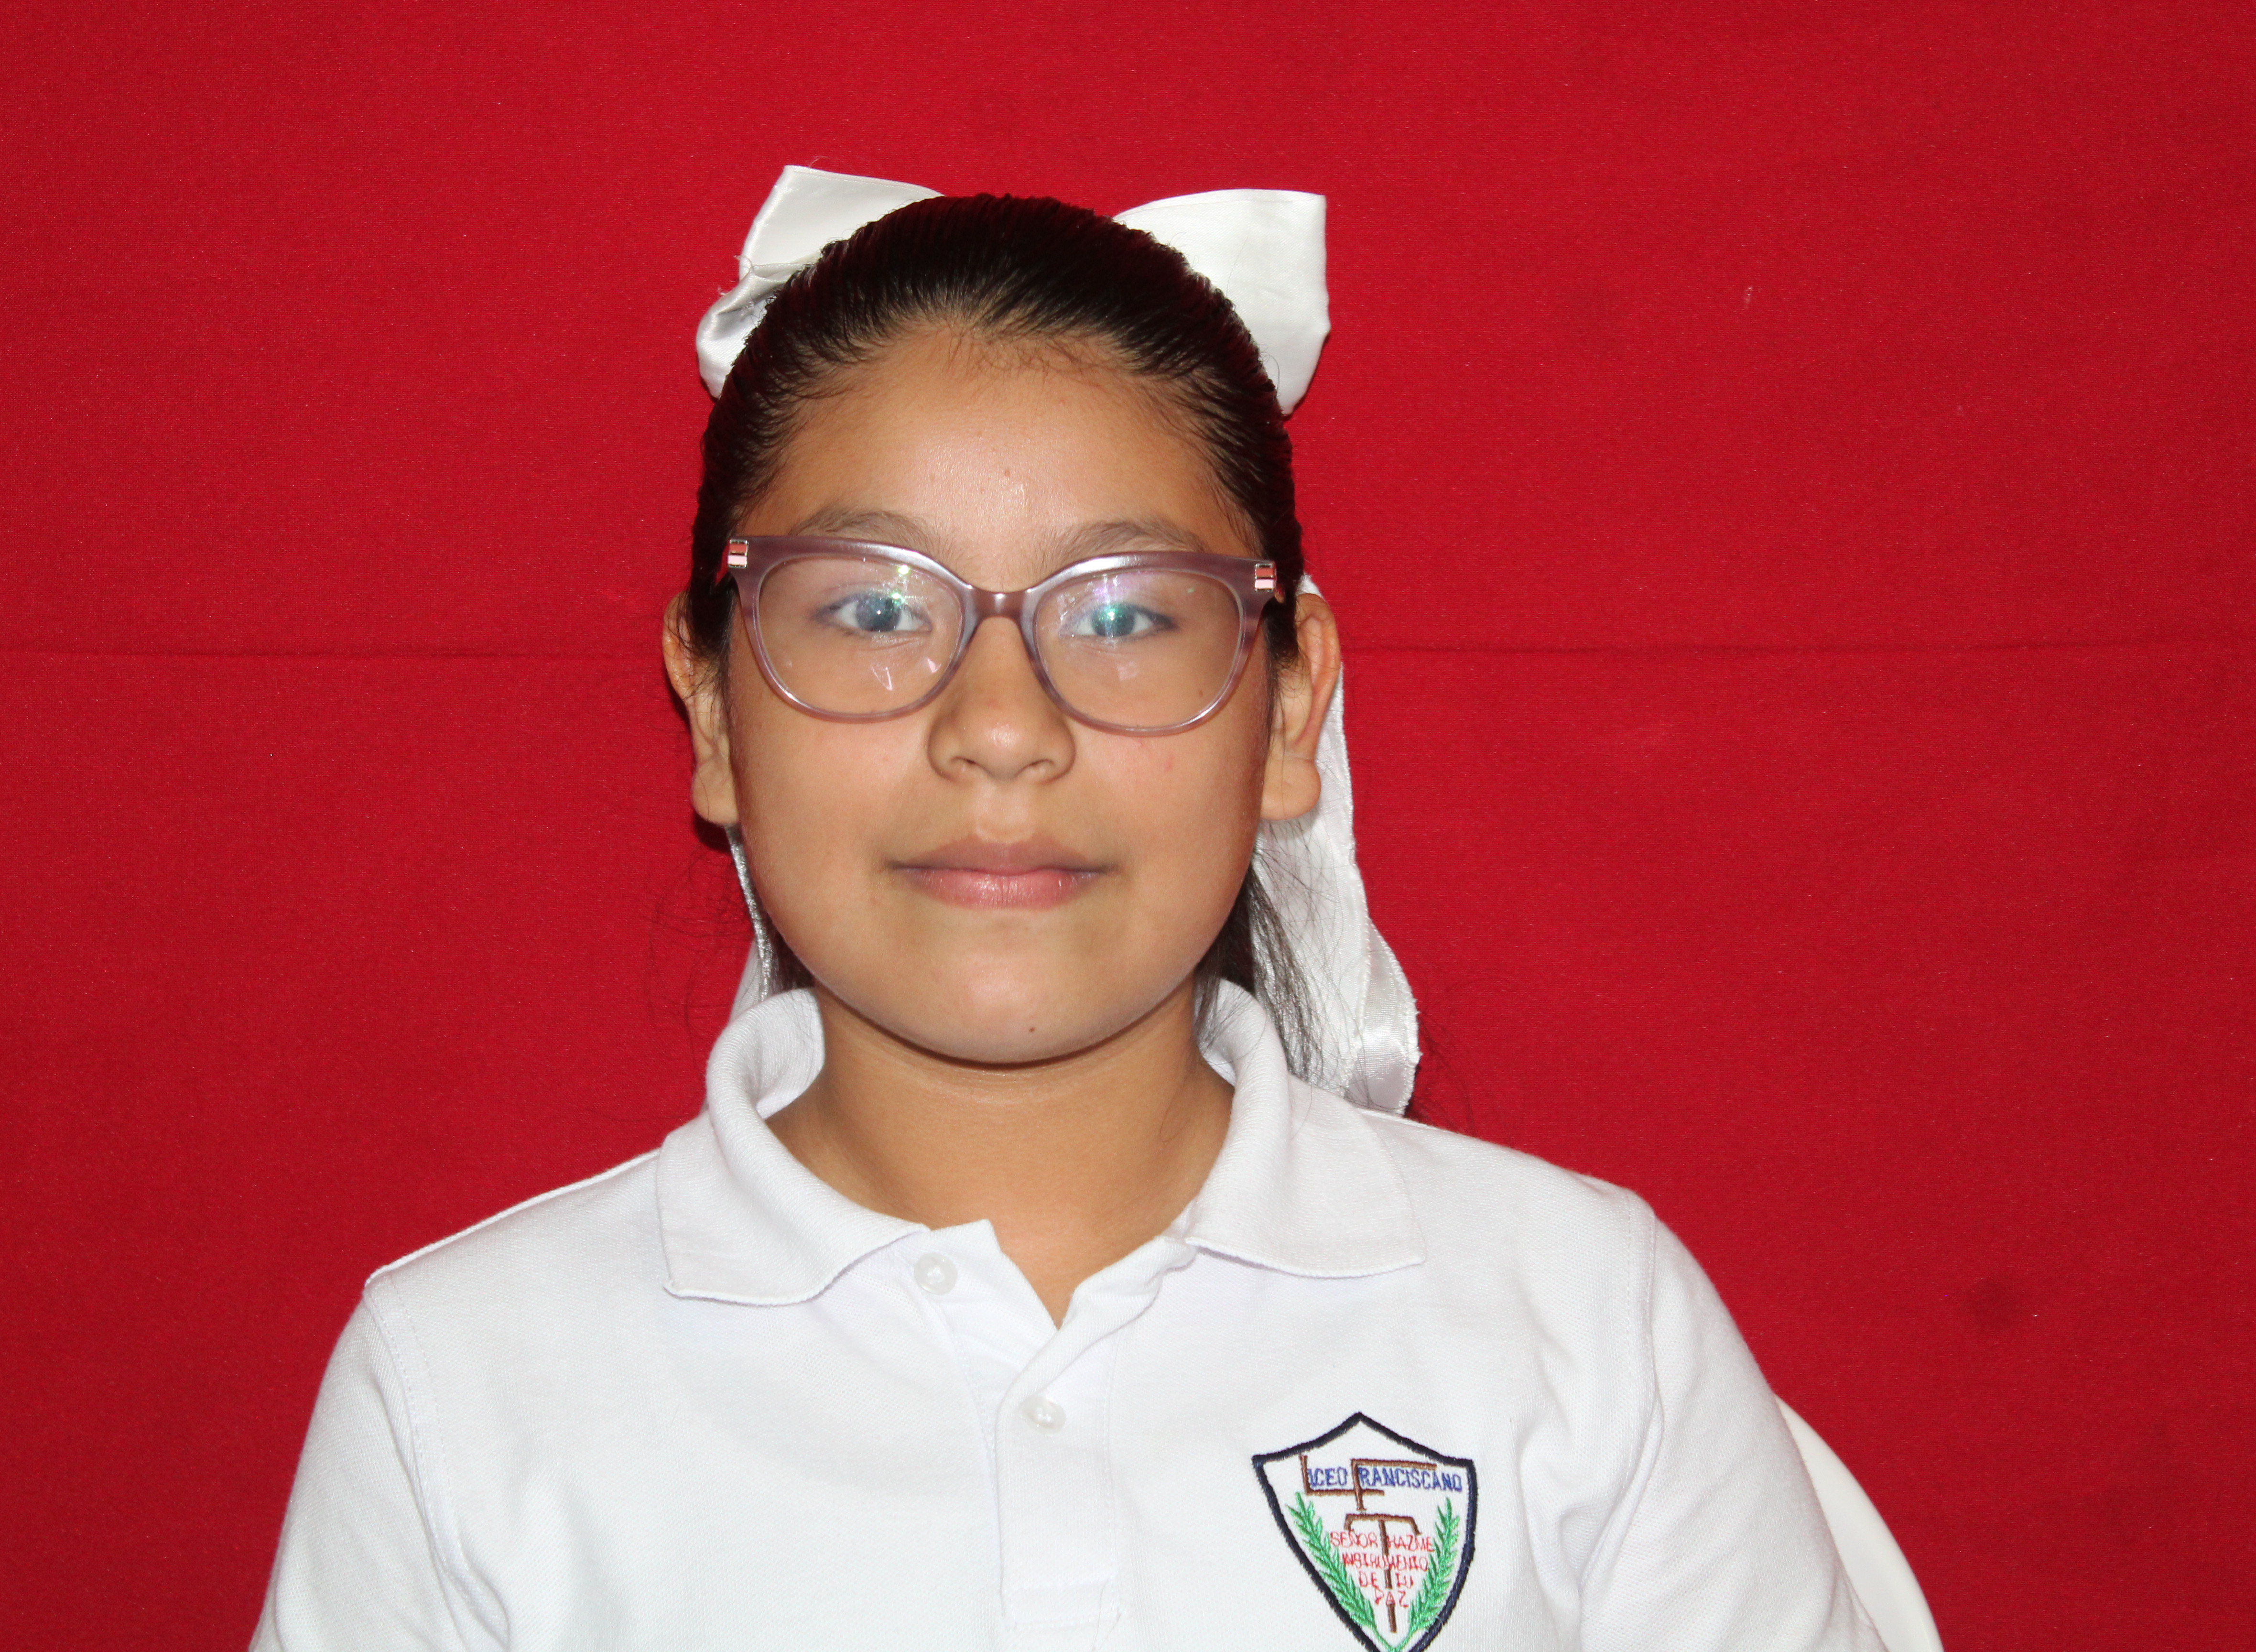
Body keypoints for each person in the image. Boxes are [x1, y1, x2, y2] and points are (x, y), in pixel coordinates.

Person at [251, 169, 1884, 1652]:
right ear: (714, 713)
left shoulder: (1589, 1327)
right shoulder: (466, 1386)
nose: (1001, 728)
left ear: (1289, 708)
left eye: (1123, 616)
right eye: (873, 609)